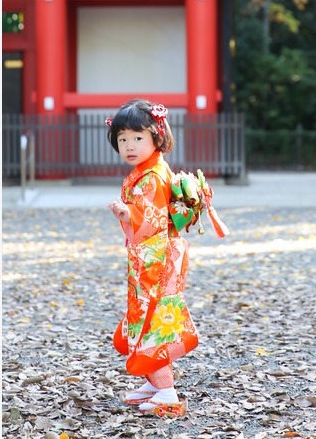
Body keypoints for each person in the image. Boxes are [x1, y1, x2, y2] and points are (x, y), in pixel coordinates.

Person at [105, 99, 198, 417]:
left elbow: (151, 221)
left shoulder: (151, 176)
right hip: (152, 256)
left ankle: (167, 392)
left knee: (152, 324)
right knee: (147, 321)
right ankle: (155, 384)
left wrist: (125, 211)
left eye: (137, 138)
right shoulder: (148, 170)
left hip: (157, 258)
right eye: (122, 139)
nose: (129, 145)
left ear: (157, 137)